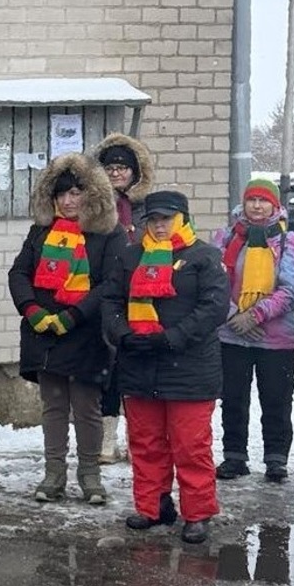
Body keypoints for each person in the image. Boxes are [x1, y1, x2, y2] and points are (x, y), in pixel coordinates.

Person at [101, 190, 225, 543]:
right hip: (139, 365)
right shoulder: (130, 256)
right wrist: (122, 334)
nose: (158, 225)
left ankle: (197, 513)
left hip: (189, 369)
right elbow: (111, 301)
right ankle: (153, 507)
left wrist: (172, 337)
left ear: (182, 219)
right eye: (153, 219)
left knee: (190, 446)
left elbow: (213, 308)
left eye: (166, 219)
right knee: (146, 442)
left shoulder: (204, 257)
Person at [8, 153, 129, 505]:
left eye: (76, 193)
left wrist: (74, 315)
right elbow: (19, 274)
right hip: (43, 331)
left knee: (87, 406)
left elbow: (111, 283)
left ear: (92, 195)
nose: (68, 200)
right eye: (62, 194)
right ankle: (54, 473)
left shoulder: (109, 234)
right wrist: (31, 309)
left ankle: (90, 475)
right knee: (54, 405)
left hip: (86, 332)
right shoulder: (40, 231)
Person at [210, 177, 294, 482]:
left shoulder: (290, 242)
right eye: (252, 200)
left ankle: (276, 459)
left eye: (264, 201)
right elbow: (214, 283)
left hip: (278, 339)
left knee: (276, 398)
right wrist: (236, 316)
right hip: (231, 334)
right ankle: (235, 456)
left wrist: (255, 316)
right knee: (234, 398)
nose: (257, 206)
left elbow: (292, 290)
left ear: (275, 205)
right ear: (243, 203)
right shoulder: (224, 239)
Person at [92, 133, 156, 463]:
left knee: (137, 371)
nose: (117, 173)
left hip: (146, 296)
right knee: (109, 370)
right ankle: (105, 441)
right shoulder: (95, 206)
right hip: (107, 295)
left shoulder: (150, 209)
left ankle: (138, 440)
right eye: (111, 167)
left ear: (135, 172)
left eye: (123, 168)